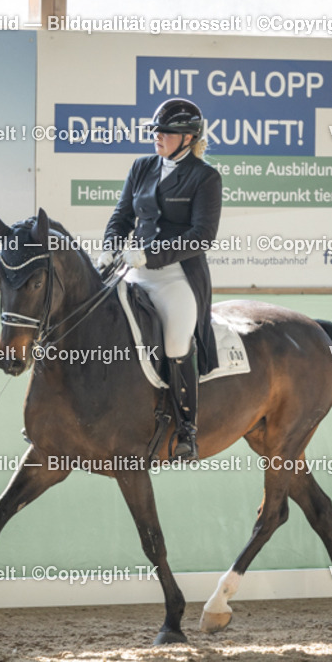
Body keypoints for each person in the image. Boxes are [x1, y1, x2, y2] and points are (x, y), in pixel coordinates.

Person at [100, 98, 222, 461]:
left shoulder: (205, 177)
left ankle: (187, 429)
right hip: (133, 271)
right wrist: (110, 246)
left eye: (166, 132)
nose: (158, 136)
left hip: (176, 276)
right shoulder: (142, 167)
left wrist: (150, 255)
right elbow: (122, 215)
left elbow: (201, 236)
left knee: (175, 342)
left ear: (189, 138)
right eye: (155, 130)